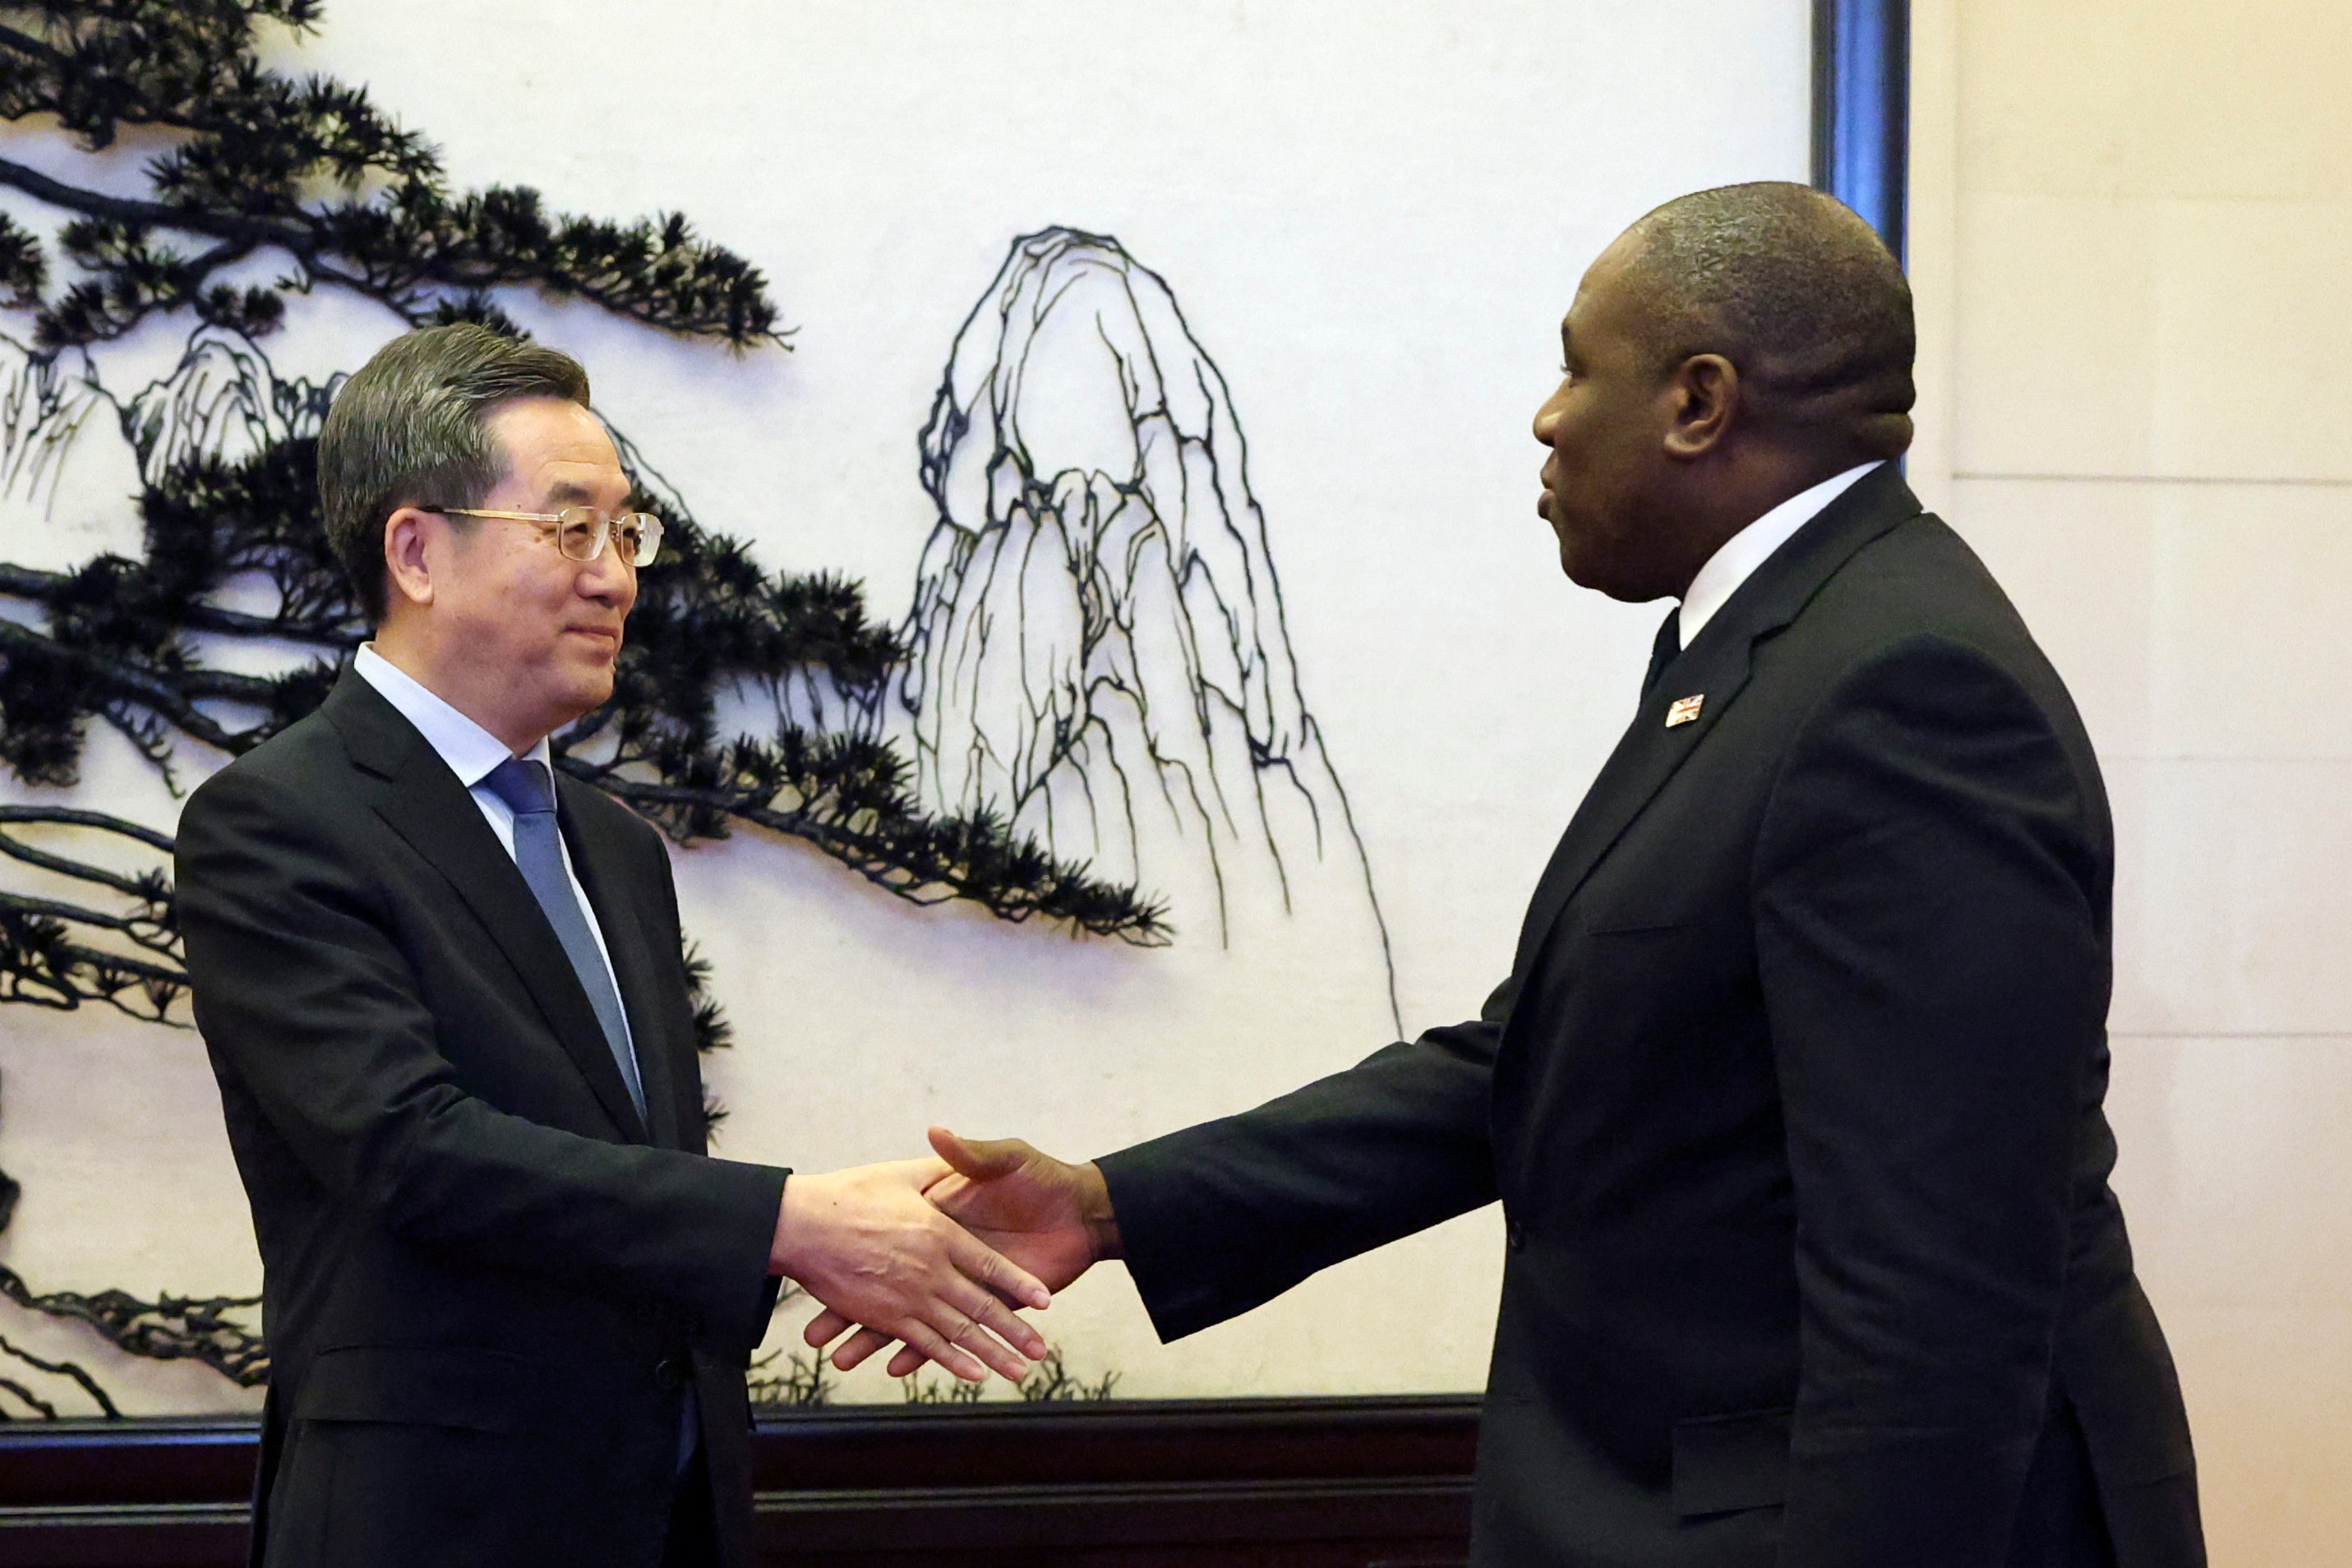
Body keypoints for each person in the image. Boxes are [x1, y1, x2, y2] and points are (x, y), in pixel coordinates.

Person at [807, 185, 2205, 1568]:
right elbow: (1545, 1060)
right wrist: (1114, 1205)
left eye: (1575, 369)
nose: (1546, 418)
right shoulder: (1777, 651)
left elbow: (1937, 1297)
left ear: (1698, 403)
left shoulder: (1902, 687)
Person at [176, 325, 1050, 1568]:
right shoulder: (277, 819)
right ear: (417, 550)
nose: (616, 578)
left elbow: (623, 1184)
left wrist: (850, 1240)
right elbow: (409, 1150)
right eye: (570, 528)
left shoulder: (617, 847)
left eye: (626, 534)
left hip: (666, 1510)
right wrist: (786, 1221)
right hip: (432, 1524)